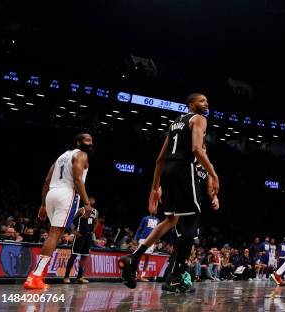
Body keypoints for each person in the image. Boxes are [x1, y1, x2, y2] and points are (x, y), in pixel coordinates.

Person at [117, 93, 219, 293]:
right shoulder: (199, 119)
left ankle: (133, 258)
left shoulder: (174, 123)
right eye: (202, 100)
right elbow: (197, 150)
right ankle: (175, 276)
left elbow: (159, 159)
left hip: (167, 171)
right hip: (183, 167)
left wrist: (154, 189)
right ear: (191, 104)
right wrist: (214, 174)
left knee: (171, 220)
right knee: (192, 220)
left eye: (207, 100)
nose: (206, 103)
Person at [24, 133, 94, 290]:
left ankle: (38, 276)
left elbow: (47, 181)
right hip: (67, 195)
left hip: (51, 194)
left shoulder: (61, 157)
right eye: (87, 140)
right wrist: (87, 203)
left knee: (54, 235)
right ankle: (35, 276)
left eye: (91, 141)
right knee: (54, 235)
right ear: (78, 142)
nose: (90, 143)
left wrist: (42, 204)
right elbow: (77, 180)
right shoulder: (81, 154)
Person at [63, 197, 98, 284]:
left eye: (93, 199)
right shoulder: (81, 210)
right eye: (90, 199)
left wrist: (93, 230)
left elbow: (96, 222)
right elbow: (70, 220)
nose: (92, 200)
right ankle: (66, 276)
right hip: (80, 235)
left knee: (84, 256)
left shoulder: (96, 212)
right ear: (86, 201)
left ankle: (80, 277)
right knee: (74, 255)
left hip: (88, 237)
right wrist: (73, 231)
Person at [134, 209, 160, 282]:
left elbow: (158, 231)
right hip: (143, 239)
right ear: (150, 210)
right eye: (153, 209)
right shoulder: (145, 218)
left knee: (147, 258)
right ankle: (137, 274)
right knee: (138, 257)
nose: (155, 210)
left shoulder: (158, 220)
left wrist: (156, 242)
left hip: (151, 240)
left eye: (156, 209)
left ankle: (142, 275)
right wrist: (135, 238)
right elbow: (139, 228)